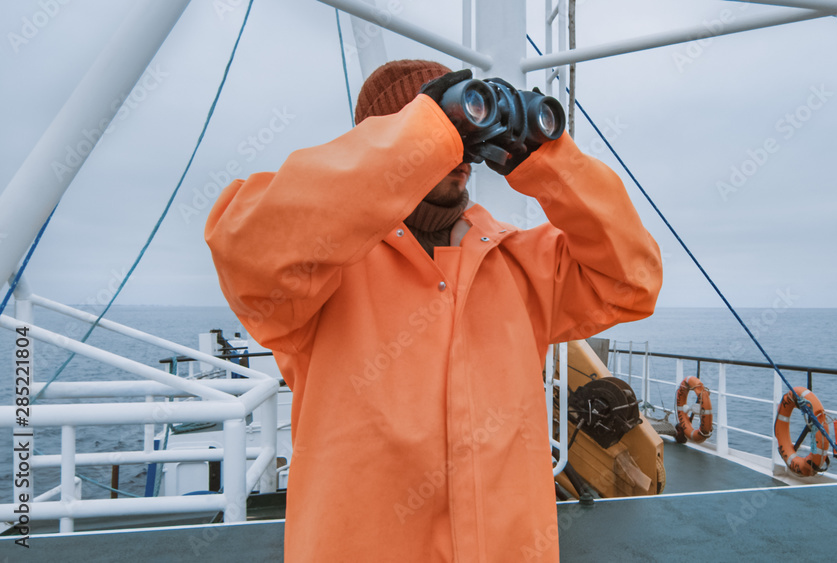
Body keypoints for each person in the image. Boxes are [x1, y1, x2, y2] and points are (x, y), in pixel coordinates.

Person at [205, 59, 662, 562]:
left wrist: (550, 161)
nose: (460, 150)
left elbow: (632, 281)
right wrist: (421, 137)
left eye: (465, 135)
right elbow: (243, 247)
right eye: (446, 130)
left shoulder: (517, 265)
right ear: (388, 141)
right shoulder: (319, 274)